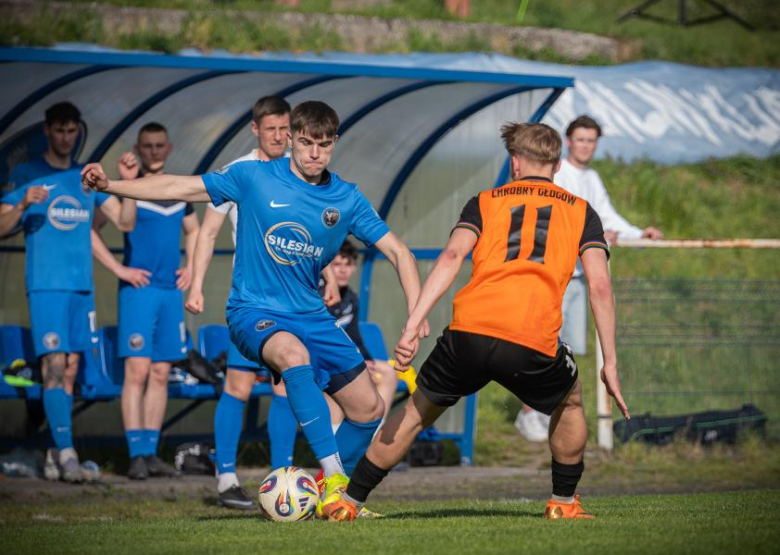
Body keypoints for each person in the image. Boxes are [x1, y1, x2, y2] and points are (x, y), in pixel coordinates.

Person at [81, 100, 426, 519]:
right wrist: (111, 186)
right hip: (253, 311)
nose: (314, 153)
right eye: (305, 142)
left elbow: (400, 253)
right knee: (289, 357)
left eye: (323, 144)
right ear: (290, 139)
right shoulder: (253, 176)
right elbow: (179, 187)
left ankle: (327, 493)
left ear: (334, 143)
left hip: (312, 315)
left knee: (369, 409)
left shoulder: (346, 198)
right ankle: (332, 478)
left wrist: (415, 316)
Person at [324, 122, 630, 522]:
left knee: (416, 412)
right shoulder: (581, 211)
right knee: (570, 399)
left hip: (468, 332)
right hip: (530, 339)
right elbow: (600, 287)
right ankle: (564, 502)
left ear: (515, 162)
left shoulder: (484, 201)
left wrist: (414, 323)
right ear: (556, 165)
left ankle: (351, 500)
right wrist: (610, 361)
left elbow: (451, 258)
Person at [0, 102, 146, 483]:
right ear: (47, 131)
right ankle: (67, 453)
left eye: (71, 131)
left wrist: (126, 181)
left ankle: (57, 452)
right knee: (52, 363)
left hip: (82, 288)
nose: (66, 138)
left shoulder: (87, 176)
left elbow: (125, 222)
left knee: (71, 368)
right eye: (59, 130)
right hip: (47, 285)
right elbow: (1, 226)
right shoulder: (27, 174)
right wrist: (21, 206)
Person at [185, 96, 307, 509]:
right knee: (237, 385)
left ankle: (282, 478)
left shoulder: (301, 169)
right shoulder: (237, 172)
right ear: (255, 129)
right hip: (251, 301)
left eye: (285, 129)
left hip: (291, 301)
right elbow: (207, 233)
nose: (280, 137)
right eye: (271, 129)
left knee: (286, 388)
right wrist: (197, 283)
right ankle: (226, 481)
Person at [514, 115, 662, 442]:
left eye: (591, 140)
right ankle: (529, 413)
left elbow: (607, 216)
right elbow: (553, 222)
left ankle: (547, 410)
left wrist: (639, 233)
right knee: (540, 343)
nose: (585, 145)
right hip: (554, 275)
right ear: (568, 141)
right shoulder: (557, 174)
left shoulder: (591, 177)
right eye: (580, 139)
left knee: (567, 349)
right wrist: (596, 235)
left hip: (581, 276)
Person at [103, 122, 200, 480]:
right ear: (139, 148)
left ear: (169, 148)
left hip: (169, 294)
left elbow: (194, 231)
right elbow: (97, 228)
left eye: (160, 145)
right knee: (138, 371)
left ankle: (151, 452)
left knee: (160, 373)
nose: (155, 151)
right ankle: (135, 455)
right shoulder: (129, 187)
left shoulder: (178, 190)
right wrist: (120, 268)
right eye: (148, 145)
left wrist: (191, 267)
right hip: (138, 292)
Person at [323, 239, 398, 426]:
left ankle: (372, 436)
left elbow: (355, 336)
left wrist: (367, 361)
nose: (342, 270)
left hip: (347, 361)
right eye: (337, 264)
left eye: (348, 264)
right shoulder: (316, 294)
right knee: (337, 393)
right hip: (323, 364)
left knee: (387, 372)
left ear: (355, 268)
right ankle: (335, 450)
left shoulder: (351, 298)